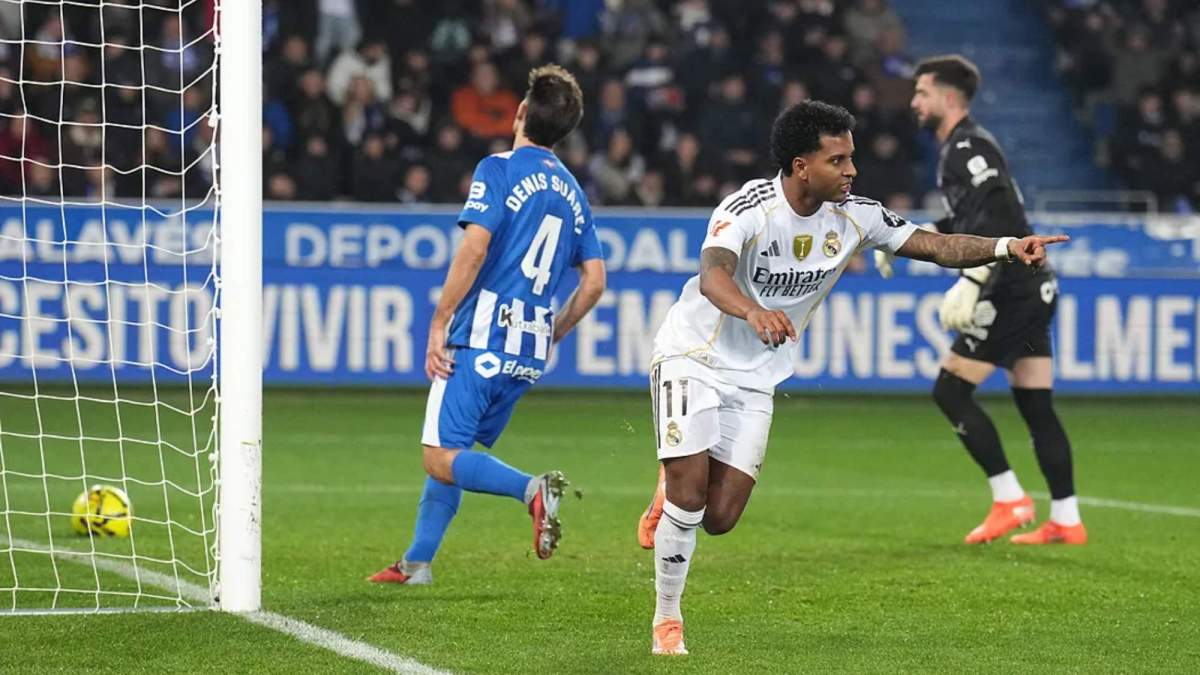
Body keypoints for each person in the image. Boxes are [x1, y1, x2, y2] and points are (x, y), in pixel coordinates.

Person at [635, 100, 1068, 655]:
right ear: (800, 166)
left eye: (851, 159)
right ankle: (667, 620)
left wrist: (1007, 247)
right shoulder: (747, 208)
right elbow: (713, 273)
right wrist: (751, 310)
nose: (851, 171)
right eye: (837, 160)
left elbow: (933, 245)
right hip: (693, 354)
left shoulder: (856, 215)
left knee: (719, 519)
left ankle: (673, 479)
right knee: (690, 499)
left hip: (758, 376)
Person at [369, 65, 607, 585]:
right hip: (526, 350)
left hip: (480, 337)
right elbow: (593, 283)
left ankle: (532, 490)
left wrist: (439, 322)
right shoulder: (574, 192)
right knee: (456, 449)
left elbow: (473, 250)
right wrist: (555, 332)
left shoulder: (499, 169)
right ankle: (417, 562)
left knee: (439, 455)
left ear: (521, 112)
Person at [901, 54, 1087, 547]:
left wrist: (976, 275)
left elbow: (1001, 209)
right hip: (1033, 287)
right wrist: (908, 239)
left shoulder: (966, 146)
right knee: (1035, 404)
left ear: (946, 97)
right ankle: (1066, 519)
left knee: (950, 391)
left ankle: (1010, 498)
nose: (914, 101)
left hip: (1009, 289)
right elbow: (973, 217)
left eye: (921, 92)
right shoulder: (964, 147)